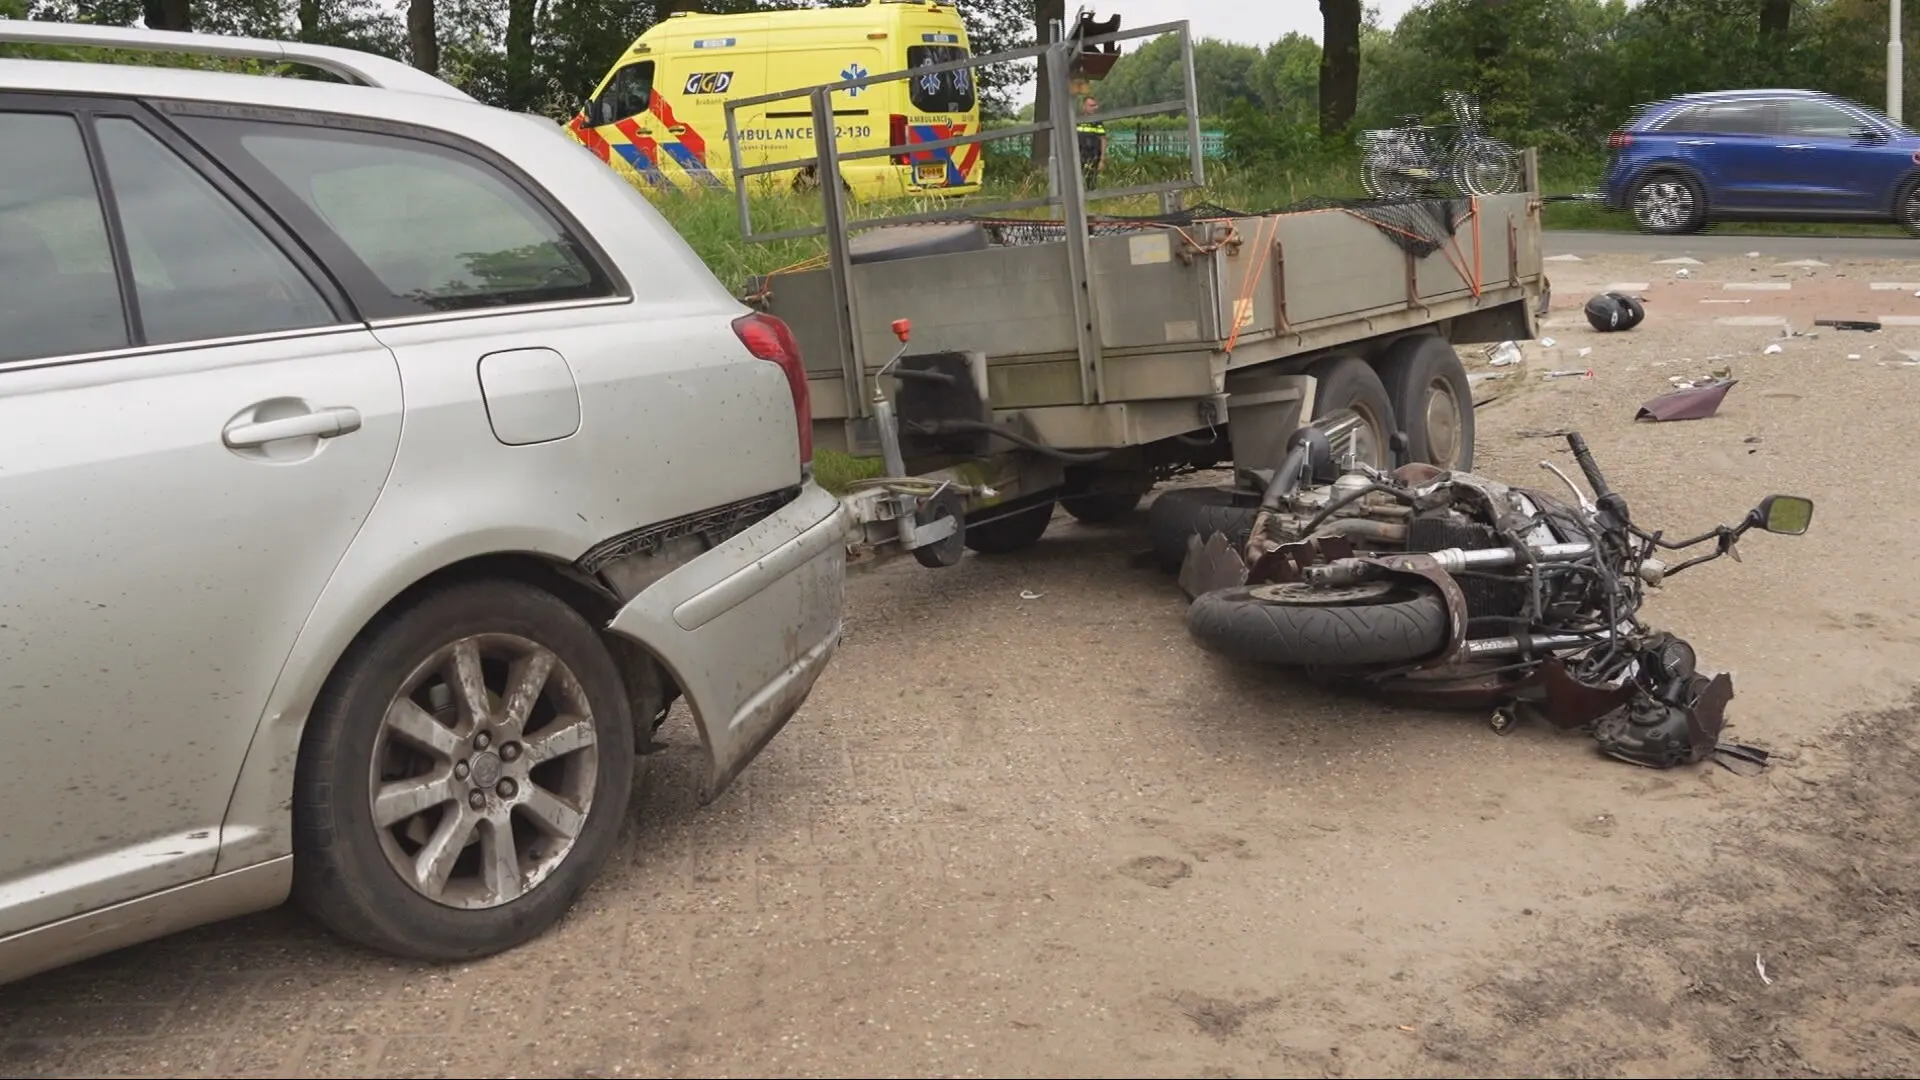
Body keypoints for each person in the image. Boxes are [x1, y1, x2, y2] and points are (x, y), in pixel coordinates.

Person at [1075, 95, 1107, 189]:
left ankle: (1091, 195)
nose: (1095, 108)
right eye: (1091, 105)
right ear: (1084, 106)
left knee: (1091, 182)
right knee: (1077, 182)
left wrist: (1102, 159)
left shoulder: (1097, 122)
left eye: (1095, 105)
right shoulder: (1077, 120)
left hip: (1093, 156)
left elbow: (1103, 139)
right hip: (1079, 155)